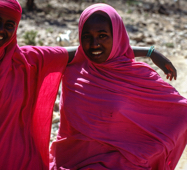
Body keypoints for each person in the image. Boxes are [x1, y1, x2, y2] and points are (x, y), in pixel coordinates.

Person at [0, 0, 177, 169]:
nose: (0, 30)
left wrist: (149, 51)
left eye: (9, 25)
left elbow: (90, 51)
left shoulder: (27, 61)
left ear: (15, 29)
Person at [49, 3, 187, 170]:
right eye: (87, 36)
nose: (94, 44)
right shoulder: (74, 70)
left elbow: (180, 111)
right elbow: (38, 55)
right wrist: (148, 51)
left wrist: (147, 152)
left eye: (102, 36)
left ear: (117, 37)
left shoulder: (135, 76)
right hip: (71, 163)